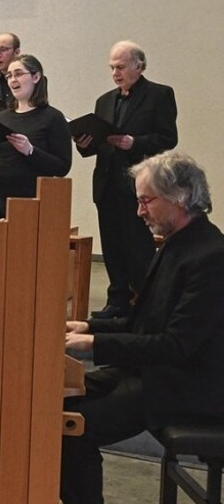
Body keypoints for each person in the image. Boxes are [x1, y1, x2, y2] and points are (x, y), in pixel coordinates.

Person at [60, 151, 224, 504]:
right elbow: (141, 322)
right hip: (153, 373)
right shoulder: (175, 244)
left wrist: (92, 345)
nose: (139, 212)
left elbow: (176, 346)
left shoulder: (211, 256)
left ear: (180, 196)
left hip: (187, 387)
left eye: (146, 200)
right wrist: (84, 325)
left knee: (72, 428)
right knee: (56, 405)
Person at [75, 41, 178, 319]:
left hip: (139, 185)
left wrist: (134, 143)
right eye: (112, 67)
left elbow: (168, 138)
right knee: (112, 244)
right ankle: (117, 299)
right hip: (107, 182)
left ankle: (147, 300)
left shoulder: (159, 95)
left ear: (139, 66)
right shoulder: (105, 100)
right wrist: (84, 142)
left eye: (120, 67)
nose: (115, 73)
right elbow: (95, 143)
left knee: (137, 245)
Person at [0, 54, 71, 218]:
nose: (12, 80)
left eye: (19, 74)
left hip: (29, 202)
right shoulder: (0, 118)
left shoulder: (53, 118)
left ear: (36, 77)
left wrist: (31, 151)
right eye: (9, 76)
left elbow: (62, 167)